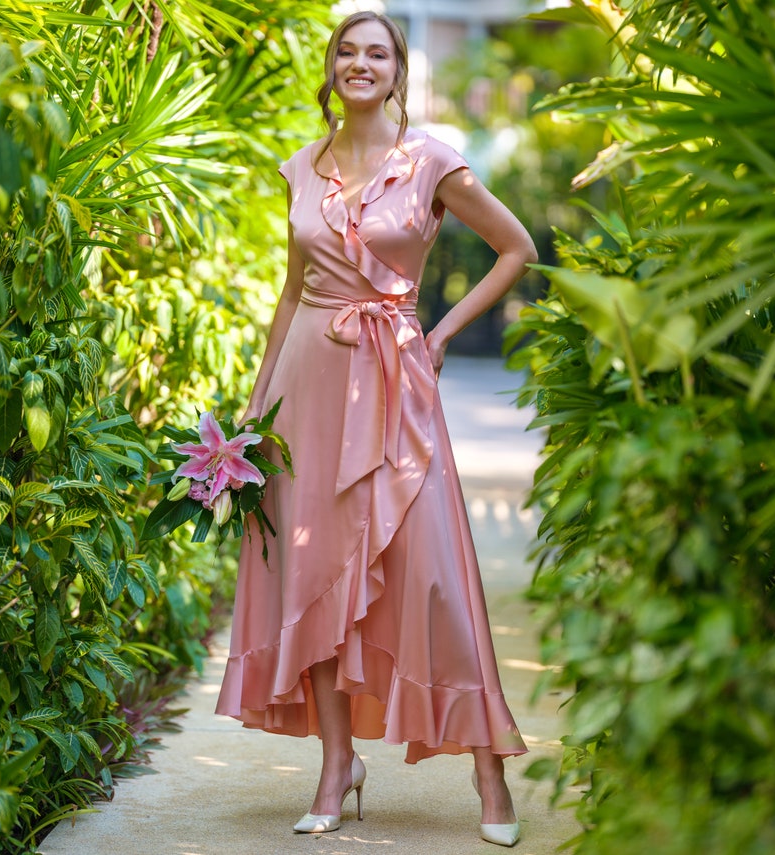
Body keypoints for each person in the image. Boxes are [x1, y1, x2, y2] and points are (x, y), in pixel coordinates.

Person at [214, 10, 538, 848]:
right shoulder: (301, 168)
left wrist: (437, 333)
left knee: (434, 573)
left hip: (397, 381)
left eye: (378, 54)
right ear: (331, 68)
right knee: (313, 573)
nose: (361, 64)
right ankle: (335, 764)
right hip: (307, 389)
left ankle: (489, 765)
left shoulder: (430, 160)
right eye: (348, 52)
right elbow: (291, 293)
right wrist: (255, 408)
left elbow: (516, 248)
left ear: (397, 73)